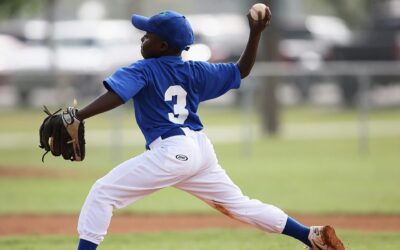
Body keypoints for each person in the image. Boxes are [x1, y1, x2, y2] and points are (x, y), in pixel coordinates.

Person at [74, 8, 345, 250]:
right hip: (200, 150)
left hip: (172, 150)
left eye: (147, 35)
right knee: (240, 205)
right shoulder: (195, 71)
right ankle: (311, 236)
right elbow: (242, 70)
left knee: (103, 192)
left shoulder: (144, 69)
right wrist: (255, 33)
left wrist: (79, 115)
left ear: (163, 44)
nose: (142, 39)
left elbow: (118, 96)